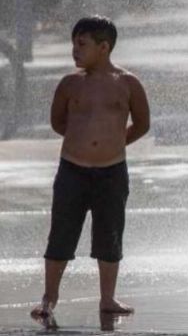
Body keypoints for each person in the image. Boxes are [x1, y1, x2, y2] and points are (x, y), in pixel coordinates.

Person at [31, 16, 150, 319]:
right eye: (73, 44)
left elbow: (143, 123)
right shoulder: (70, 84)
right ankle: (48, 297)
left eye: (82, 44)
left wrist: (115, 142)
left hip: (112, 171)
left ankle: (107, 299)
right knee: (61, 234)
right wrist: (81, 140)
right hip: (73, 169)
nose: (75, 50)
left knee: (109, 235)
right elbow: (58, 122)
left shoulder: (128, 83)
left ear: (104, 47)